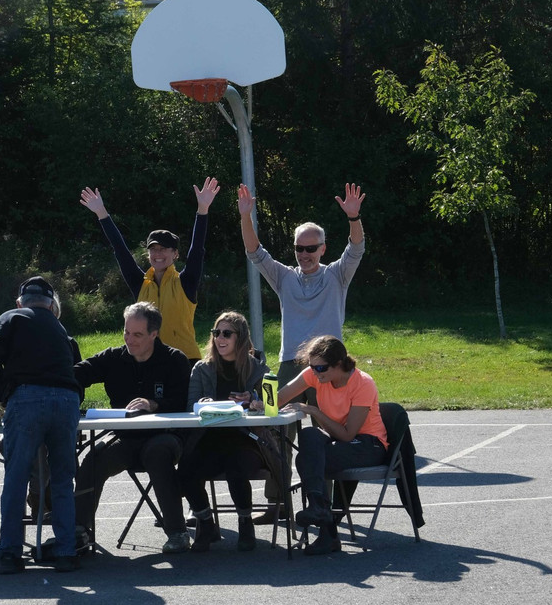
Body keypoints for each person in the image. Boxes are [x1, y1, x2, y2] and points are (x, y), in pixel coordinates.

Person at [238, 181, 366, 522]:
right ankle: (276, 503)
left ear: (323, 249)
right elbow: (255, 252)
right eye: (299, 248)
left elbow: (356, 249)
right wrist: (245, 216)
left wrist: (354, 217)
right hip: (289, 366)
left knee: (324, 436)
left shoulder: (337, 275)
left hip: (329, 369)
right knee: (273, 429)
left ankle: (322, 505)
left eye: (311, 248)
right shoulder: (284, 278)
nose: (305, 254)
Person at [0, 276, 83, 574]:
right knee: (63, 478)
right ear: (51, 304)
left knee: (17, 476)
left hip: (27, 398)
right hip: (66, 400)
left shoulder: (11, 318)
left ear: (20, 301)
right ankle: (65, 551)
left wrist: (3, 393)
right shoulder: (61, 330)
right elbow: (76, 369)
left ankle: (11, 553)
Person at [72, 302, 192, 554]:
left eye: (137, 334)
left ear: (154, 334)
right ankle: (78, 531)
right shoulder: (113, 357)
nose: (130, 339)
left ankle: (177, 533)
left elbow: (184, 403)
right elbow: (75, 374)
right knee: (94, 458)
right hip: (125, 439)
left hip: (165, 437)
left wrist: (154, 404)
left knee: (157, 454)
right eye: (127, 332)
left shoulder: (175, 360)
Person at [79, 178, 220, 360]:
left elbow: (197, 249)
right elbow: (121, 251)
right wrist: (101, 213)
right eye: (153, 249)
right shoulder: (141, 284)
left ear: (175, 254)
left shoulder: (186, 282)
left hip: (186, 360)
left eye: (163, 249)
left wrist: (203, 210)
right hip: (148, 362)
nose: (157, 253)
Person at [278, 335, 388, 555]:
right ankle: (320, 510)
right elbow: (279, 398)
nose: (316, 373)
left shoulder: (363, 383)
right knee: (309, 435)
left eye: (321, 368)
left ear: (339, 364)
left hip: (369, 445)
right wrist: (255, 401)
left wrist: (315, 411)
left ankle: (325, 525)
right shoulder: (316, 374)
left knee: (308, 459)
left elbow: (348, 435)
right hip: (339, 443)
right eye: (312, 367)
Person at [177, 311, 270, 552]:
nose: (220, 338)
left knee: (236, 465)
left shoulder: (257, 368)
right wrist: (203, 404)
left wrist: (255, 400)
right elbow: (190, 407)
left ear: (241, 338)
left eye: (227, 333)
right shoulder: (201, 368)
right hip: (208, 439)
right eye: (216, 333)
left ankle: (245, 522)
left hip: (245, 440)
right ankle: (206, 522)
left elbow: (272, 406)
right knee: (185, 470)